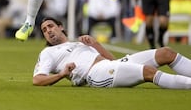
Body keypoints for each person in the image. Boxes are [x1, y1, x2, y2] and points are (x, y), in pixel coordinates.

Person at [33, 17, 191, 89]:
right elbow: (37, 80)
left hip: (109, 65)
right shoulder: (48, 52)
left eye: (50, 26)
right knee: (148, 72)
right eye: (44, 30)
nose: (48, 31)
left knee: (166, 52)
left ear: (60, 27)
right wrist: (61, 74)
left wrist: (95, 44)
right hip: (95, 75)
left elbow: (112, 60)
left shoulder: (77, 42)